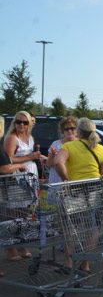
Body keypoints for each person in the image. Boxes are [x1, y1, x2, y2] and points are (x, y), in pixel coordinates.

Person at [54, 117, 103, 272]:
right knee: (94, 227)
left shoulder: (69, 146)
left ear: (78, 131)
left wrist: (66, 180)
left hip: (75, 191)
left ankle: (68, 263)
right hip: (95, 191)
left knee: (69, 227)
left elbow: (58, 162)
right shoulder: (100, 148)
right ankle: (85, 264)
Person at [0, 118, 28, 264]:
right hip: (6, 186)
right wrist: (19, 166)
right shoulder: (8, 140)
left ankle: (18, 245)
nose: (22, 125)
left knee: (18, 215)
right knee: (8, 218)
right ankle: (11, 248)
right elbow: (4, 168)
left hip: (13, 185)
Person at [3, 111, 43, 177]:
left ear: (29, 124)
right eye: (18, 122)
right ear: (14, 123)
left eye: (25, 123)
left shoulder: (30, 137)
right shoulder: (12, 138)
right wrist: (29, 157)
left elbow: (30, 154)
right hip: (19, 173)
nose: (22, 124)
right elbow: (8, 160)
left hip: (32, 171)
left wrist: (42, 157)